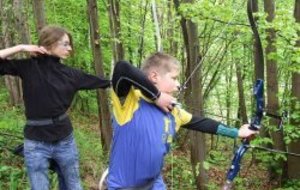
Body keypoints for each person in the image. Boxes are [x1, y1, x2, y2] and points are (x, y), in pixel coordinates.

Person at [0, 26, 174, 190]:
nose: (70, 49)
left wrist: (154, 93)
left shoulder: (71, 75)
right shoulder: (28, 67)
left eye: (70, 44)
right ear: (49, 43)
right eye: (65, 44)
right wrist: (21, 47)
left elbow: (112, 81)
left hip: (64, 141)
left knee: (73, 186)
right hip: (35, 141)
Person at [107, 52, 258, 190]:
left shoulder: (174, 112)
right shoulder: (129, 100)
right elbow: (122, 69)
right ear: (154, 77)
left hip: (154, 184)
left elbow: (203, 123)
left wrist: (237, 132)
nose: (178, 84)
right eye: (173, 78)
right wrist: (157, 96)